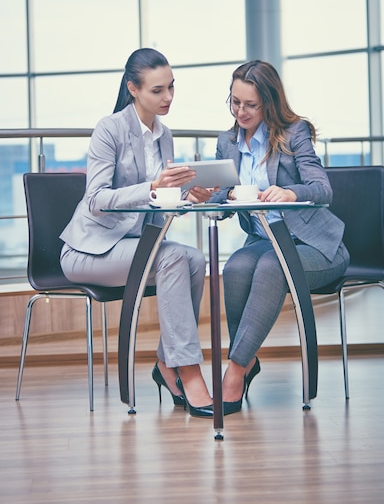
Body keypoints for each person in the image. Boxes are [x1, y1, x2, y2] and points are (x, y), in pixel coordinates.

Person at [60, 48, 214, 418]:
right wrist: (153, 187)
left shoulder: (164, 135)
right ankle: (189, 371)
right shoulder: (109, 129)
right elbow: (96, 200)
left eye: (172, 88)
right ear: (133, 89)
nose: (168, 98)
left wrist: (187, 197)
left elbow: (158, 208)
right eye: (158, 90)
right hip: (89, 252)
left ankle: (167, 364)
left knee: (194, 257)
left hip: (132, 246)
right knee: (177, 256)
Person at [211, 60, 350, 415]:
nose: (241, 112)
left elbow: (322, 189)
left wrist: (291, 193)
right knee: (237, 267)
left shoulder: (293, 133)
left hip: (315, 246)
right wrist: (217, 196)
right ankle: (246, 361)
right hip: (263, 241)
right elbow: (219, 202)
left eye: (250, 105)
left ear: (269, 103)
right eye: (235, 102)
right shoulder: (227, 143)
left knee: (273, 267)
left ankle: (235, 371)